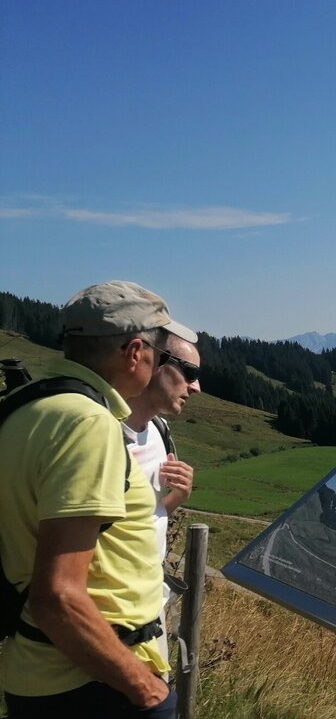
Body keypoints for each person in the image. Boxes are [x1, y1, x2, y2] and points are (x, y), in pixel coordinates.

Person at [0, 281, 197, 718]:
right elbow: (58, 595)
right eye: (161, 354)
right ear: (134, 352)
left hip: (41, 671)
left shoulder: (28, 406)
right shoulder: (90, 423)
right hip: (90, 680)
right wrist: (144, 689)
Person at [123, 334, 202, 666]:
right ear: (153, 362)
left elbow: (144, 518)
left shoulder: (159, 431)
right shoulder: (101, 436)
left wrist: (176, 497)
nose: (196, 387)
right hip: (114, 617)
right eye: (189, 372)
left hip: (152, 606)